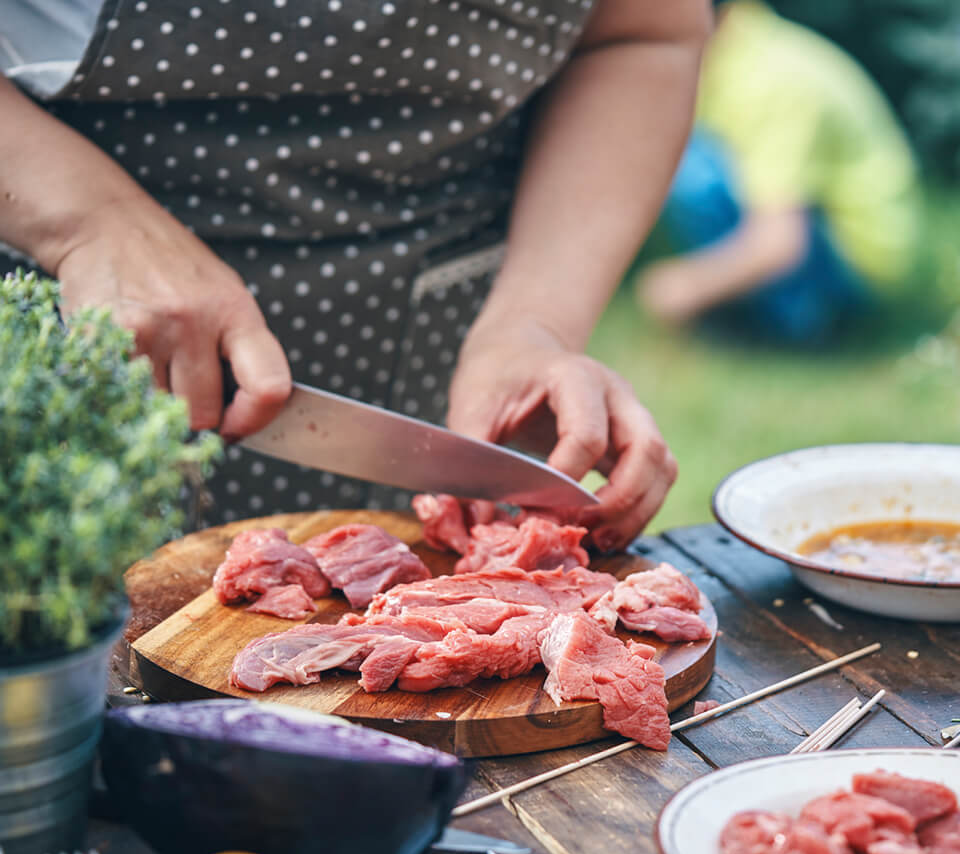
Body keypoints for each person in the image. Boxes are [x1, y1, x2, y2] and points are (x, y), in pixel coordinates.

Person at [0, 0, 710, 550]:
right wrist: (89, 222)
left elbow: (642, 31)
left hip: (428, 357)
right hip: (54, 333)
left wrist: (534, 323)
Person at [634, 0, 921, 344]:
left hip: (856, 267)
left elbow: (781, 243)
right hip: (827, 237)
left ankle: (799, 322)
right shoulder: (737, 51)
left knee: (690, 166)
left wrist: (685, 286)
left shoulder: (772, 82)